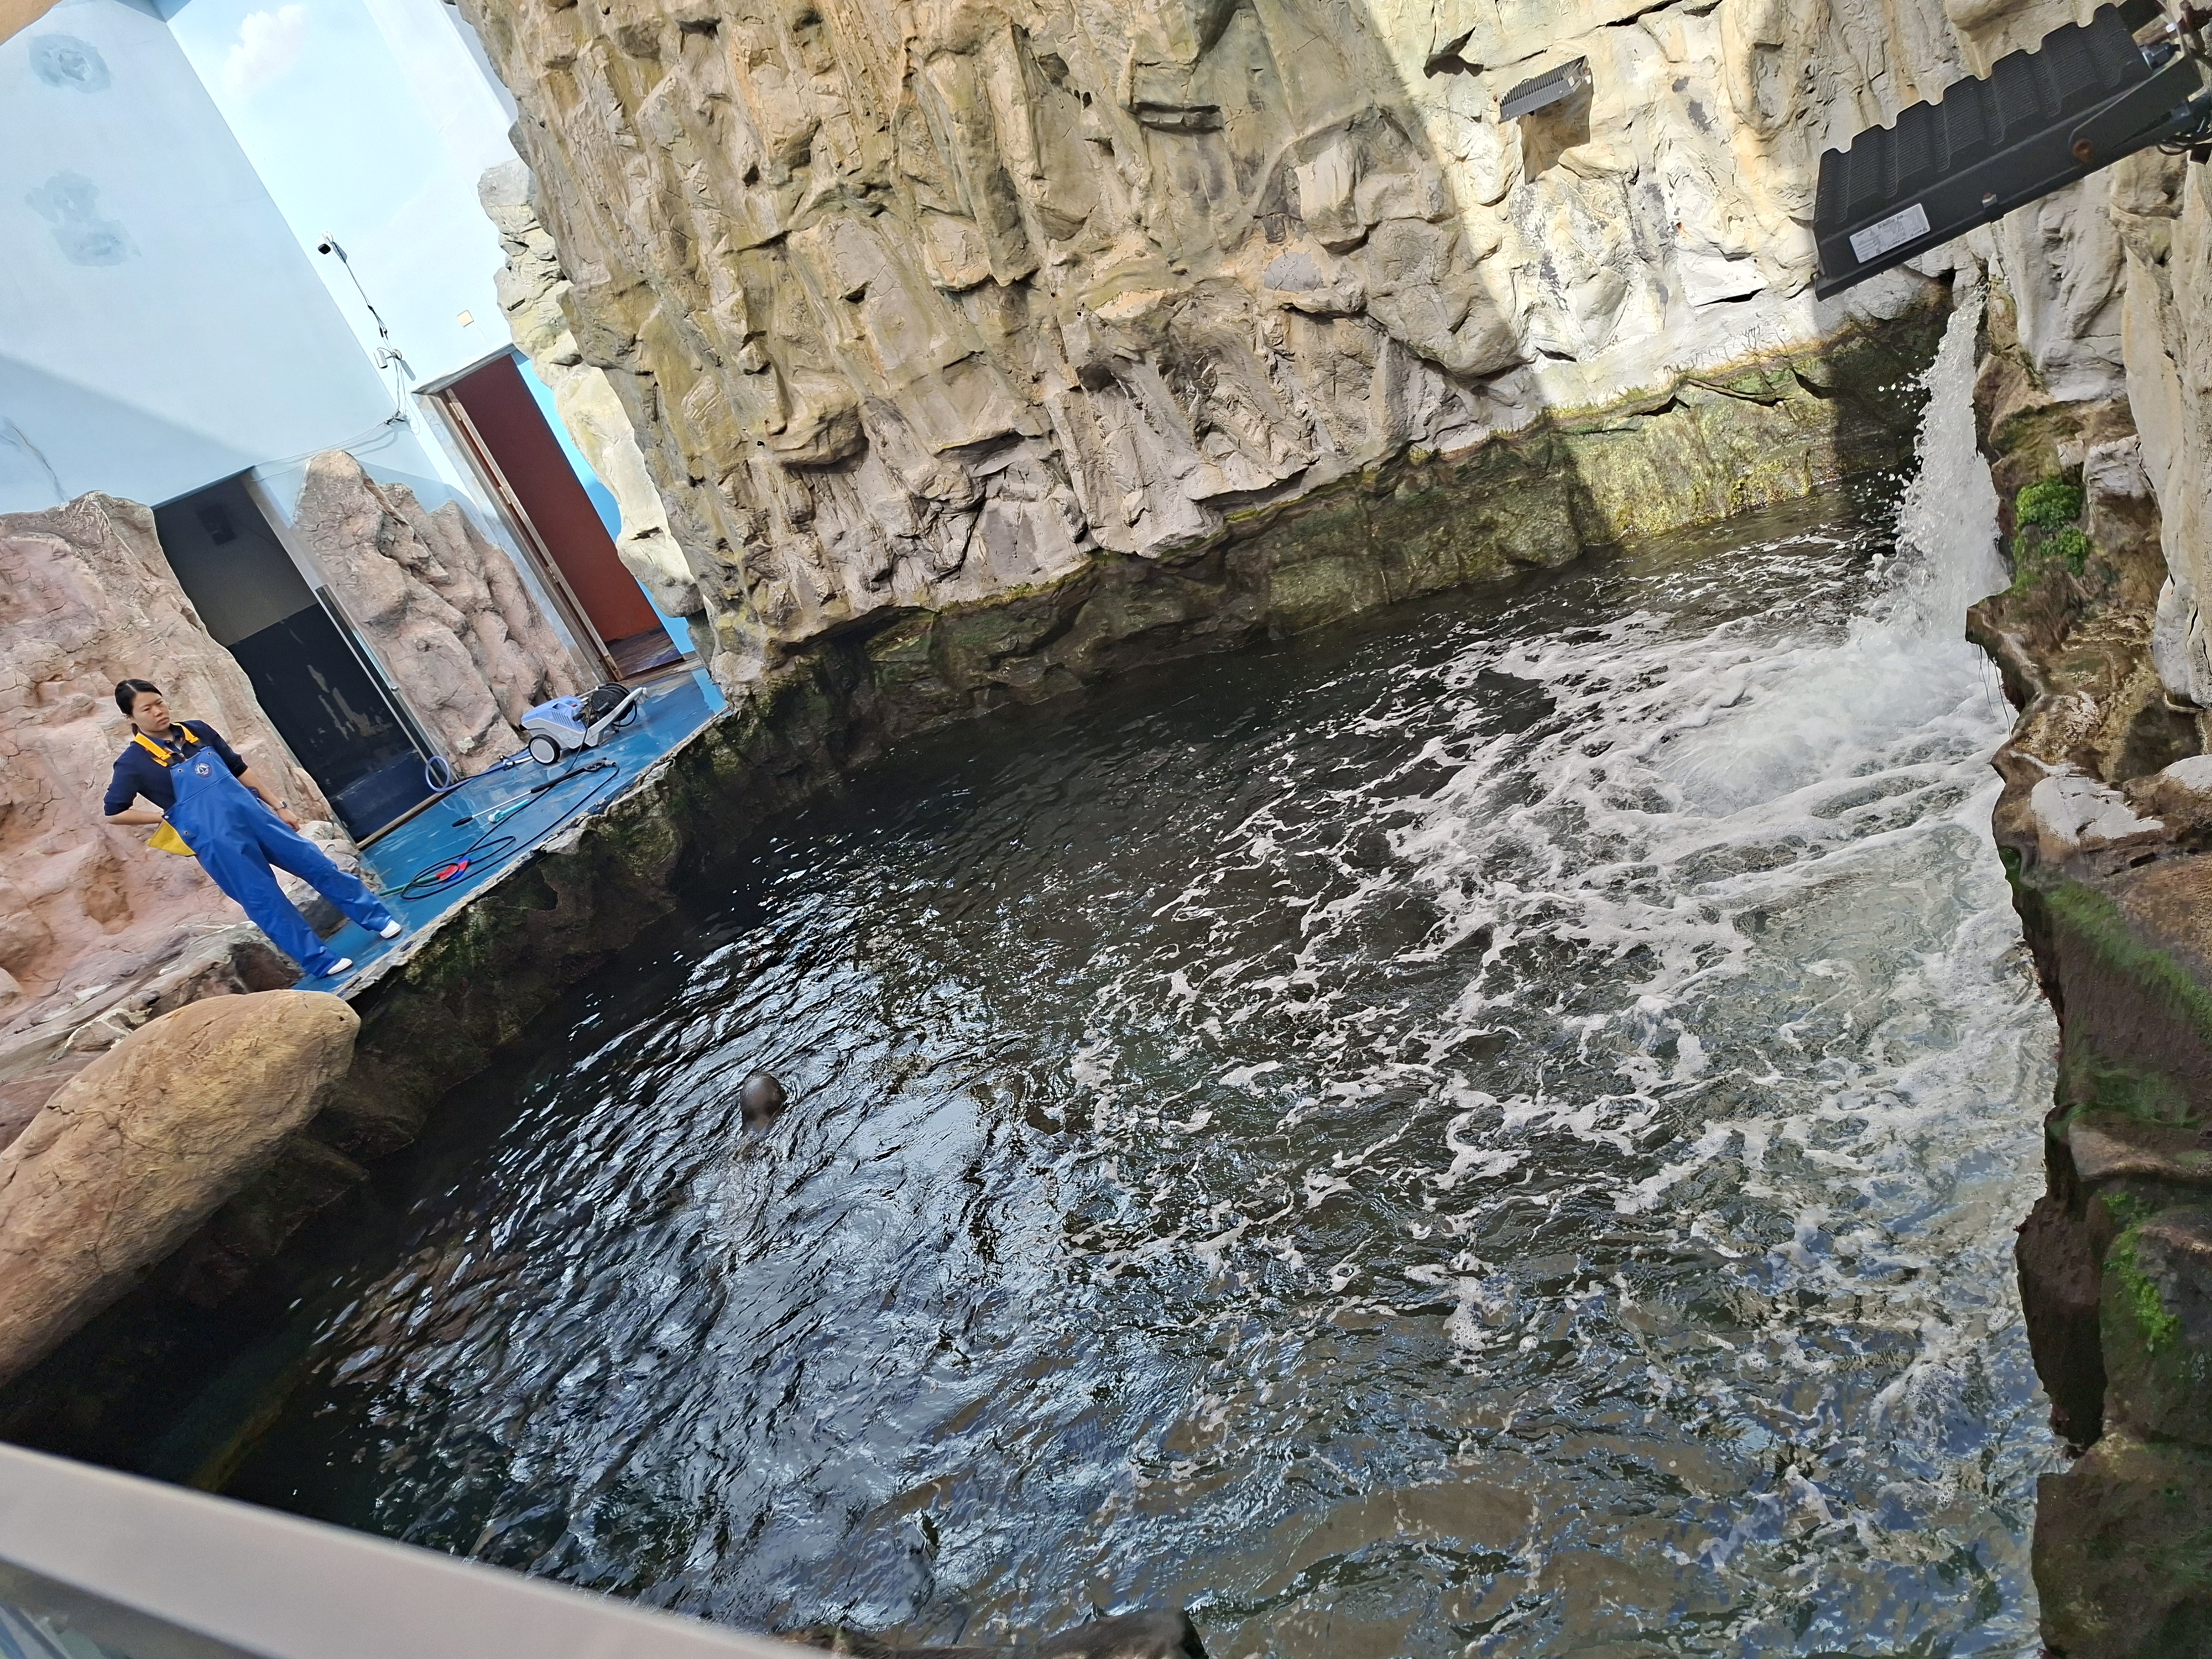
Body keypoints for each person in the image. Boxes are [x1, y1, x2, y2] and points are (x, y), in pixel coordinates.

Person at [102, 679, 403, 981]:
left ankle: (377, 918)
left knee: (317, 865)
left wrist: (279, 806)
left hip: (257, 818)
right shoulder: (133, 763)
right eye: (147, 709)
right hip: (217, 842)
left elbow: (238, 768)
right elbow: (115, 812)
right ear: (130, 718)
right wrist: (165, 818)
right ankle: (321, 961)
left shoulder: (197, 731)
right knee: (266, 902)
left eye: (159, 703)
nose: (158, 712)